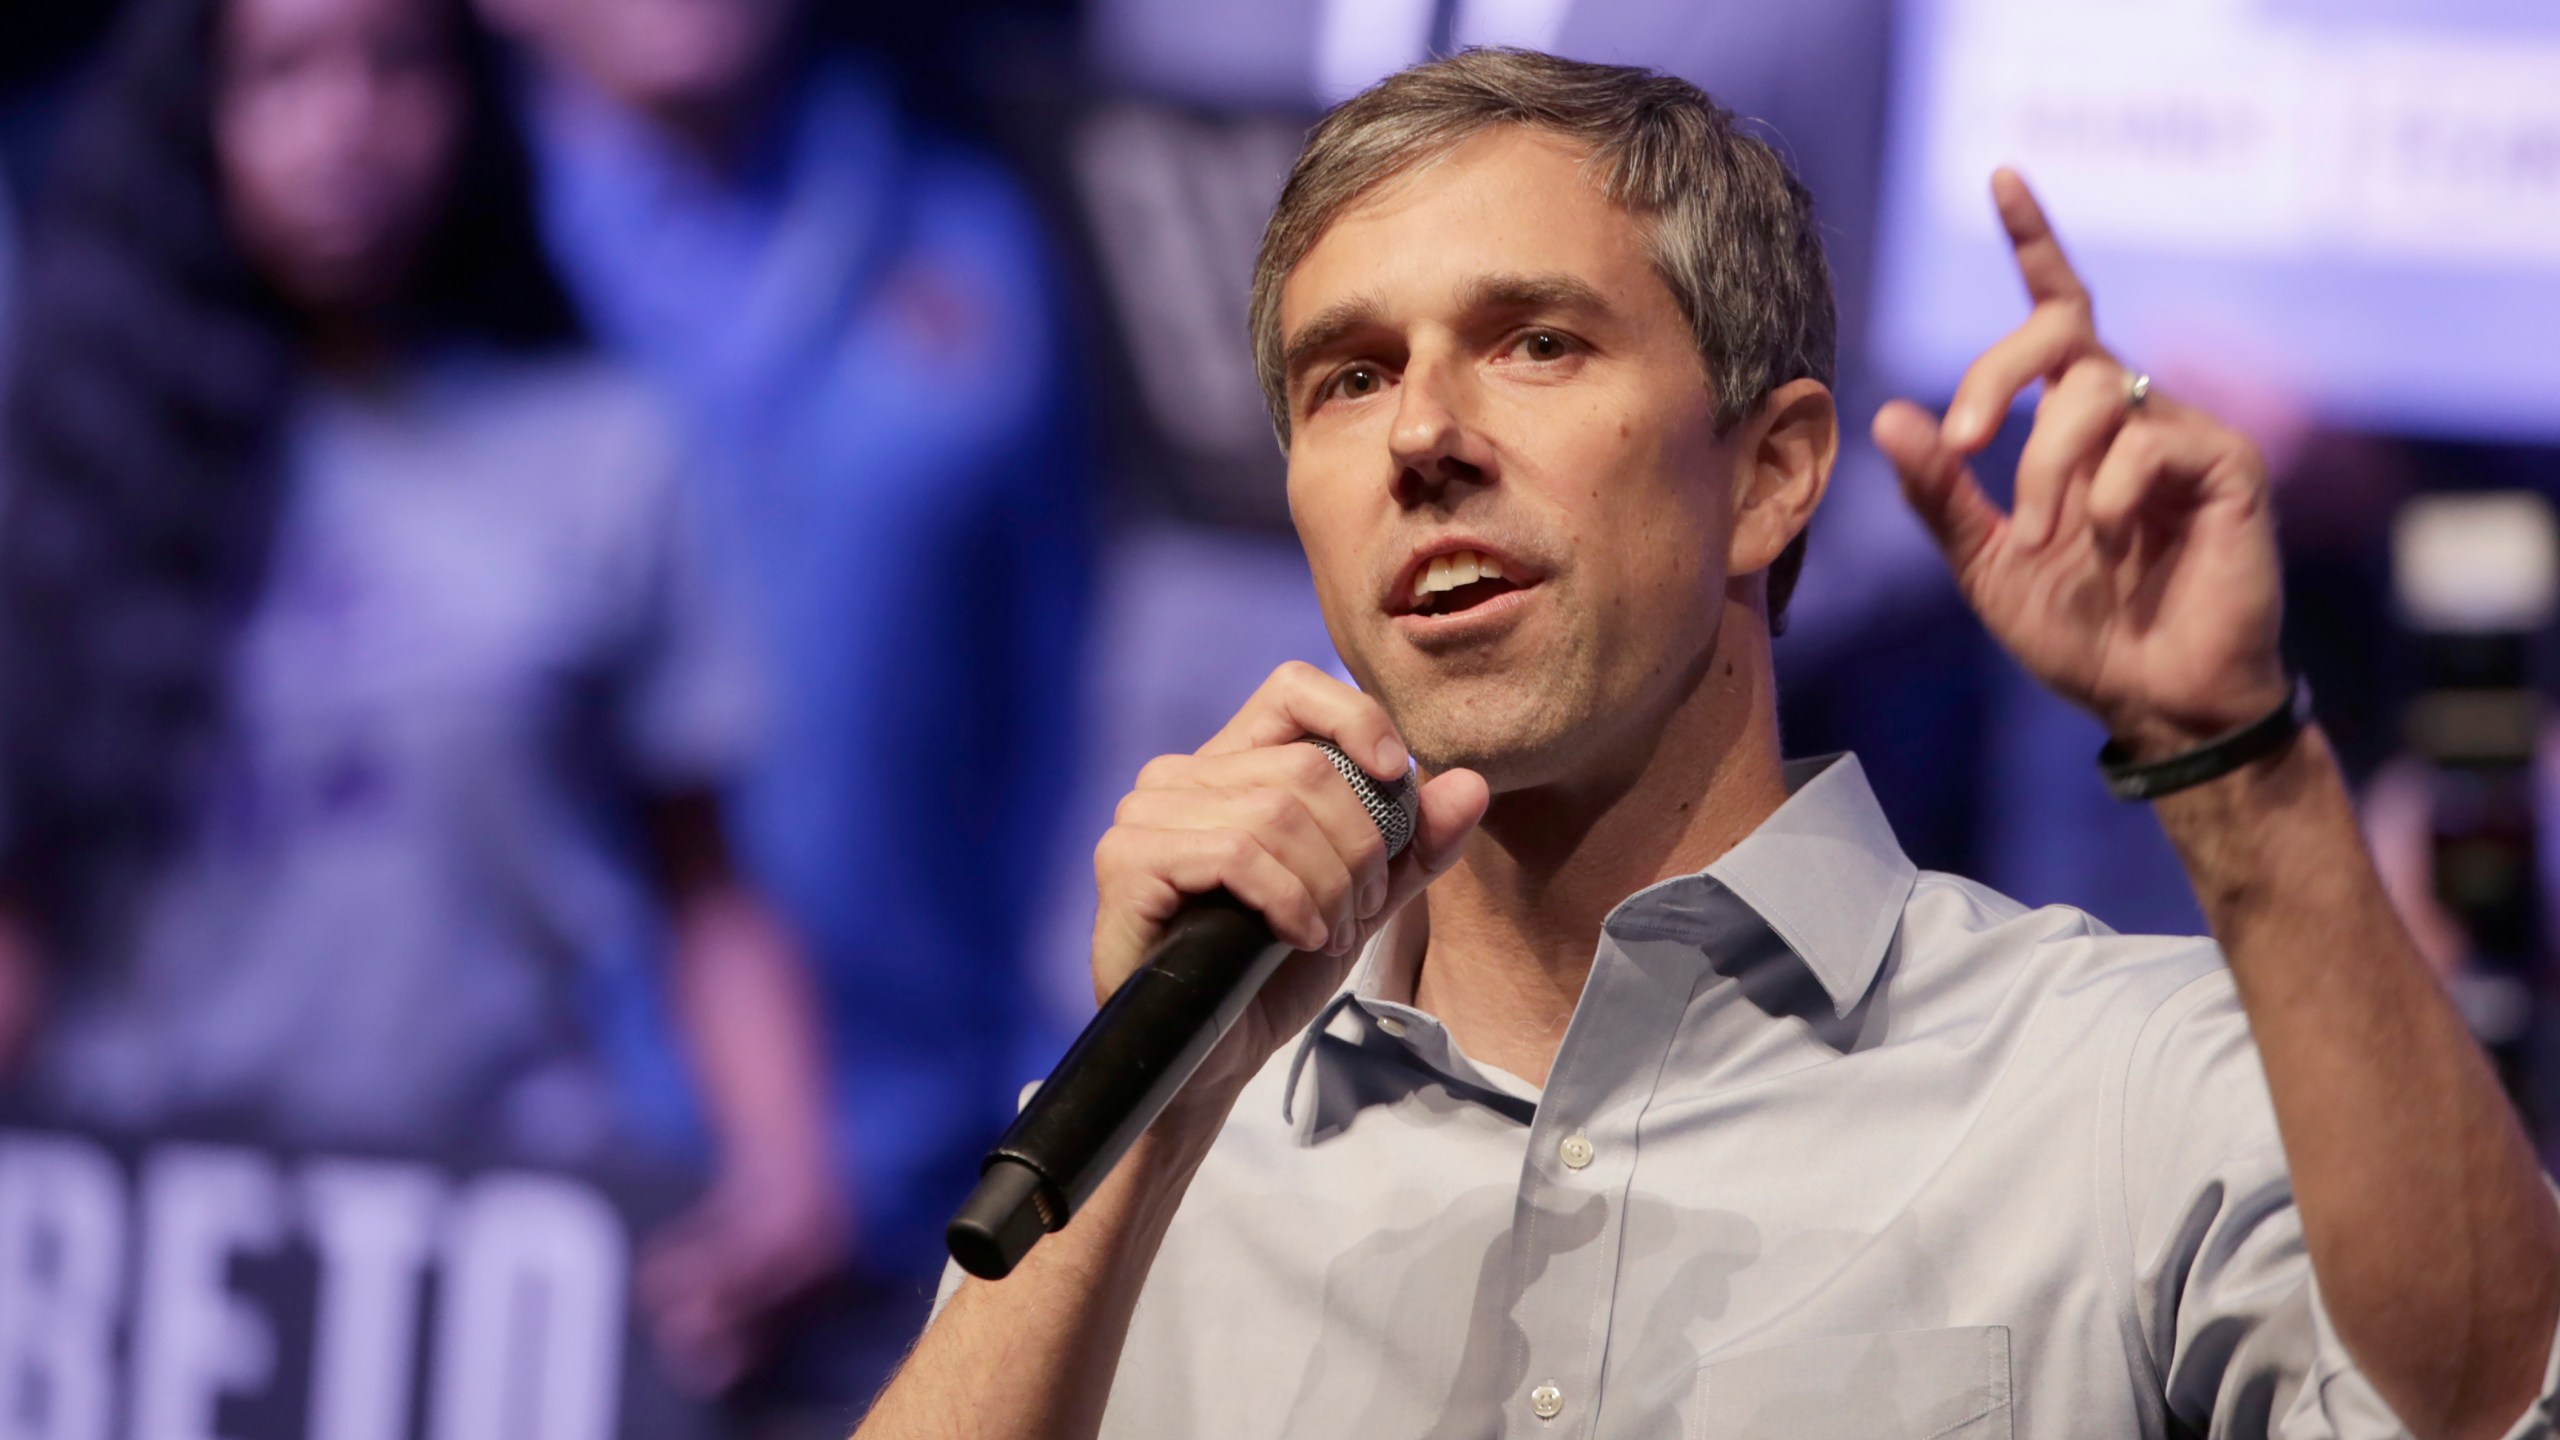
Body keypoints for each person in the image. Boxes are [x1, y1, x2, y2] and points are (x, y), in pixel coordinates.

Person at [853, 49, 2560, 1440]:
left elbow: (2494, 1405)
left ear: (1772, 474)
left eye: (1535, 341)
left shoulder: (2128, 1083)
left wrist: (2240, 760)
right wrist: (1160, 1116)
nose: (1426, 437)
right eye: (1347, 379)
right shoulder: (1157, 1148)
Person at [0, 0, 842, 1391]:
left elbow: (707, 883)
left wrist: (787, 1167)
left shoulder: (597, 456)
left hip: (480, 1256)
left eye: (394, 65)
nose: (344, 129)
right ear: (194, 114)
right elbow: (24, 909)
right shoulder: (78, 470)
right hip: (133, 1264)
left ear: (470, 100)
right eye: (281, 74)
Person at [471, 1, 1092, 1373]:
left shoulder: (970, 237)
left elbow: (1067, 703)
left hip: (938, 1186)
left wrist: (1058, 1118)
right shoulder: (427, 263)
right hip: (511, 1197)